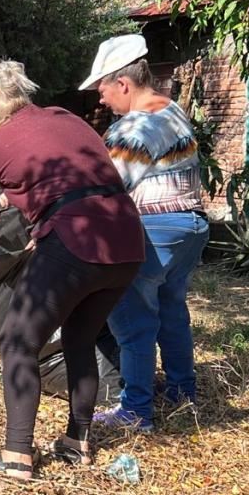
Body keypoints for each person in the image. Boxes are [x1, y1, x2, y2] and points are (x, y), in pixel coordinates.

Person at [0, 61, 144, 480]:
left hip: (77, 241)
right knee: (79, 337)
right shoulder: (64, 117)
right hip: (126, 241)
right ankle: (77, 442)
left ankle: (17, 454)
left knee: (18, 341)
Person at [79, 35, 211, 433]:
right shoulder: (171, 110)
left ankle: (136, 411)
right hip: (191, 226)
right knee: (171, 312)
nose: (100, 99)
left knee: (132, 318)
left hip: (154, 229)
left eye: (102, 89)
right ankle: (181, 391)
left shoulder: (135, 126)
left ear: (123, 84)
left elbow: (104, 186)